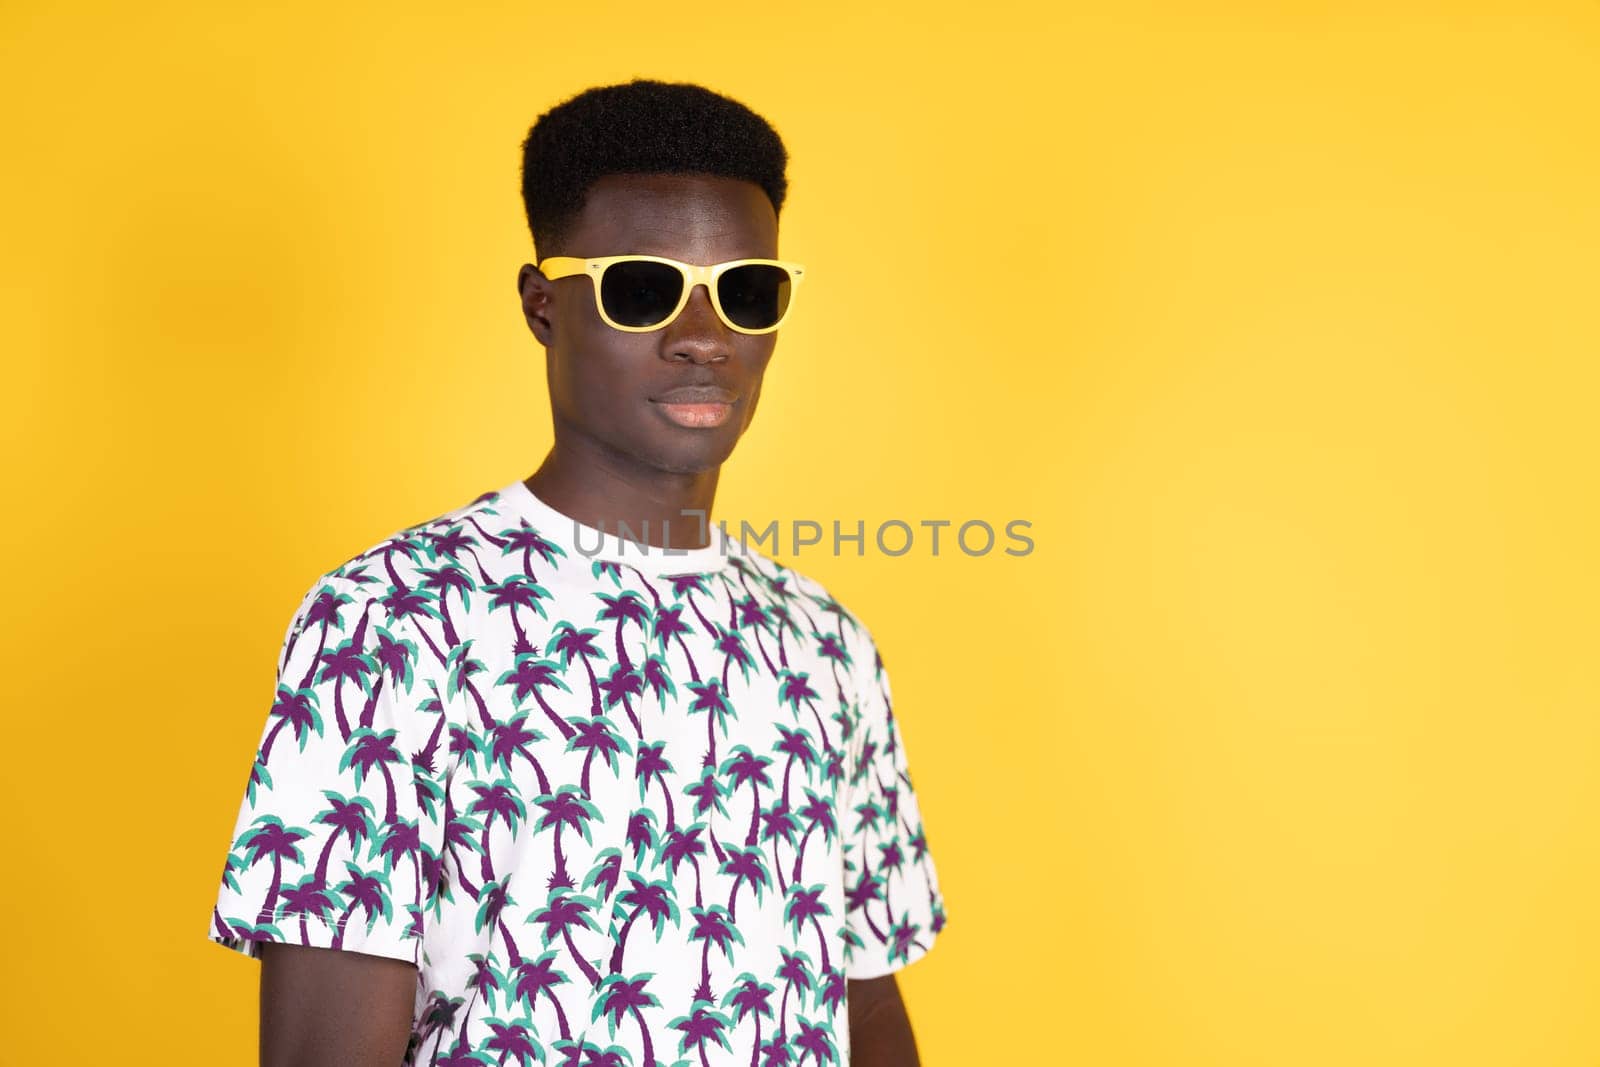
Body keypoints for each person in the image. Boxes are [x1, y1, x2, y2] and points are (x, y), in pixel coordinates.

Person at [206, 77, 948, 1066]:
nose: (702, 333)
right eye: (643, 287)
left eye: (746, 290)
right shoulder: (390, 619)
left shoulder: (824, 641)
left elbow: (869, 1009)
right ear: (543, 303)